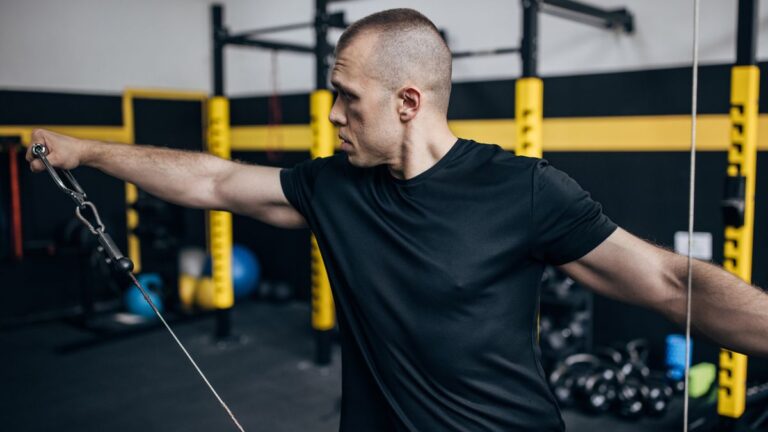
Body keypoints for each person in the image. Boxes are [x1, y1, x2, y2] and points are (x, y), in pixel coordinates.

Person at [27, 8, 768, 432]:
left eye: (347, 96)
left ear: (407, 102)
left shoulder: (525, 190)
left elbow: (670, 284)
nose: (334, 114)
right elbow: (215, 180)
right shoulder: (333, 186)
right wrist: (89, 147)